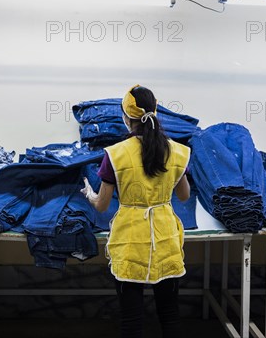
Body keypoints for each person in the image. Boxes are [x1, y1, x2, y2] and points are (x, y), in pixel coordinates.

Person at [81, 84, 191, 338]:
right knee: (170, 316)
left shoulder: (116, 155)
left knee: (132, 322)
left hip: (130, 242)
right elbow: (184, 196)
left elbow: (102, 205)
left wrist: (88, 194)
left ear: (126, 118)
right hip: (166, 242)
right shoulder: (177, 152)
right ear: (155, 112)